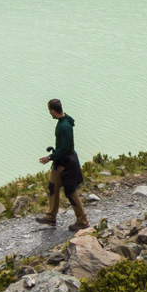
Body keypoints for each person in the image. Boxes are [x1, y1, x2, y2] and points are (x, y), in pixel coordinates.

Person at [36, 98, 89, 230]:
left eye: (49, 110)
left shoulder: (64, 126)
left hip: (67, 164)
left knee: (71, 192)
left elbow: (64, 148)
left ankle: (82, 221)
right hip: (60, 162)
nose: (49, 113)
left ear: (53, 110)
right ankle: (50, 217)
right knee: (52, 187)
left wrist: (50, 157)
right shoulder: (65, 120)